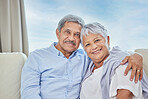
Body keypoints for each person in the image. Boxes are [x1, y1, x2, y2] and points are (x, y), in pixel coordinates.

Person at [21, 15, 143, 99]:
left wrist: (136, 55)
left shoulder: (86, 57)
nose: (71, 38)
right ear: (58, 33)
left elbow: (109, 53)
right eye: (67, 32)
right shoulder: (37, 57)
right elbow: (29, 92)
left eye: (77, 35)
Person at [80, 22, 148, 99]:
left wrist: (137, 55)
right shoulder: (87, 71)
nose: (94, 47)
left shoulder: (122, 64)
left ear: (107, 40)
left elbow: (126, 96)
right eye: (87, 44)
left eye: (97, 40)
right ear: (84, 49)